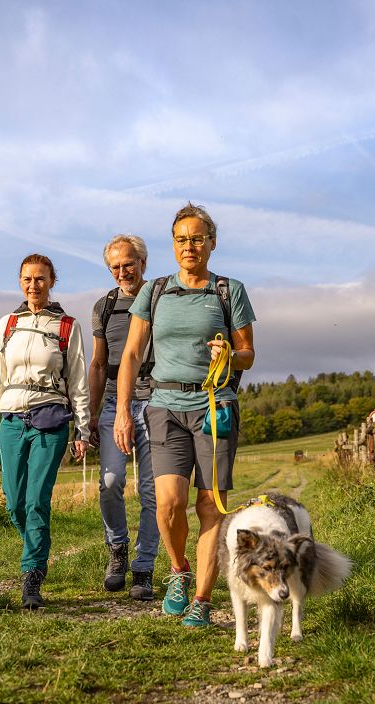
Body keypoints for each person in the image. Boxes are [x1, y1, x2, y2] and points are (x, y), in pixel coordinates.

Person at [113, 203, 256, 628]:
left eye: (197, 238)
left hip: (215, 408)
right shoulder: (154, 291)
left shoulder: (229, 290)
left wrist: (231, 354)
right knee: (169, 504)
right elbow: (133, 354)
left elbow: (248, 353)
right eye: (181, 239)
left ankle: (202, 599)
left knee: (210, 506)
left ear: (212, 242)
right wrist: (123, 410)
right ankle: (179, 570)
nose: (189, 246)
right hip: (165, 406)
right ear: (172, 245)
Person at [0, 254, 90, 609]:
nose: (33, 285)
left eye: (40, 278)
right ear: (20, 281)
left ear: (52, 281)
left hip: (51, 418)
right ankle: (37, 549)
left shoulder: (66, 326)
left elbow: (79, 381)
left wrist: (83, 430)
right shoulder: (8, 323)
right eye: (27, 278)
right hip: (11, 420)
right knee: (13, 501)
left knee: (36, 499)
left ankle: (32, 576)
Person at [88, 234, 159, 600]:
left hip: (157, 401)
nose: (122, 271)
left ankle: (144, 568)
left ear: (143, 263)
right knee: (111, 481)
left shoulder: (162, 298)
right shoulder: (104, 306)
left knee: (152, 491)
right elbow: (98, 364)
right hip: (115, 401)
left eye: (128, 264)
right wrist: (90, 414)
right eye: (114, 266)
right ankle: (117, 550)